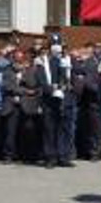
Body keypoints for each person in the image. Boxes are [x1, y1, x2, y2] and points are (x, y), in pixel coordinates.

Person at [36, 34, 75, 168]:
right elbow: (40, 79)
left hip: (66, 100)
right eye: (54, 44)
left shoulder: (67, 60)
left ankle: (63, 156)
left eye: (58, 44)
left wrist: (68, 87)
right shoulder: (42, 61)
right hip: (49, 100)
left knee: (64, 129)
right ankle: (50, 157)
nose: (56, 47)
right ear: (49, 47)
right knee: (49, 129)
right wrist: (52, 89)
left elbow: (74, 76)